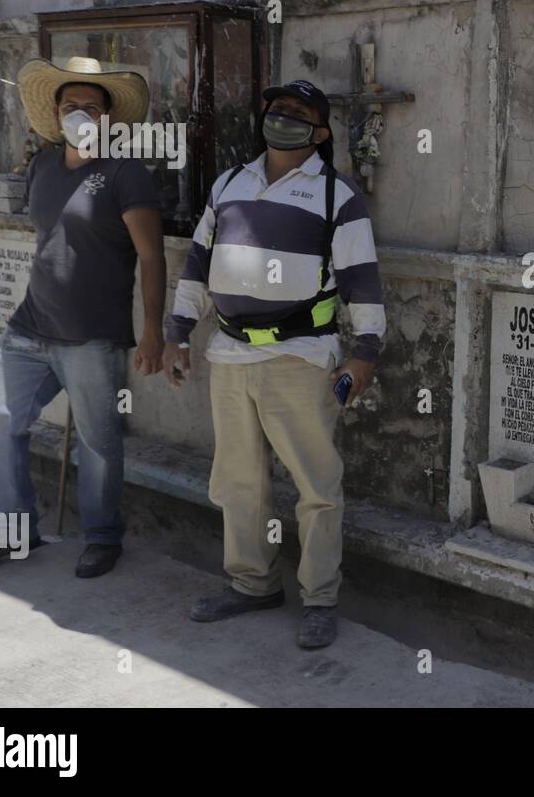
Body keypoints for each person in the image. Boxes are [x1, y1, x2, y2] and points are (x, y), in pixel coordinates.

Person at [162, 79, 386, 650]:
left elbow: (362, 280)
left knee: (316, 484)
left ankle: (320, 598)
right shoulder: (230, 184)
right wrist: (178, 332)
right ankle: (253, 583)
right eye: (276, 108)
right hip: (231, 353)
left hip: (301, 357)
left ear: (320, 132)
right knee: (238, 480)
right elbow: (197, 264)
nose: (281, 116)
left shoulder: (339, 197)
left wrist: (365, 353)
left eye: (297, 111)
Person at [0, 57, 166, 577]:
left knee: (97, 440)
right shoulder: (42, 167)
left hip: (92, 336)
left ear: (109, 117)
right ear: (56, 111)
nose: (82, 114)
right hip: (29, 326)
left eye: (92, 106)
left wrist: (154, 329)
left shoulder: (125, 174)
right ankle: (10, 531)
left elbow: (152, 257)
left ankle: (102, 536)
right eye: (72, 106)